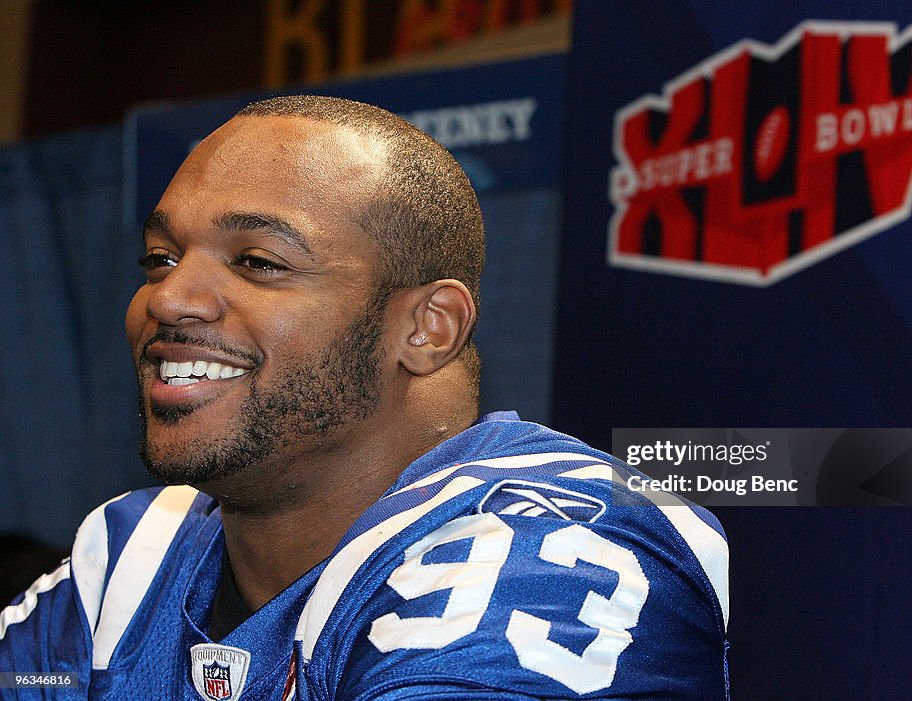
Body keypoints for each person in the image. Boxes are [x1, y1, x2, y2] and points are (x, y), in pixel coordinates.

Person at [0, 96, 729, 700]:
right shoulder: (129, 559)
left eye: (258, 261)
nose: (170, 297)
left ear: (425, 327)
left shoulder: (554, 538)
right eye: (160, 258)